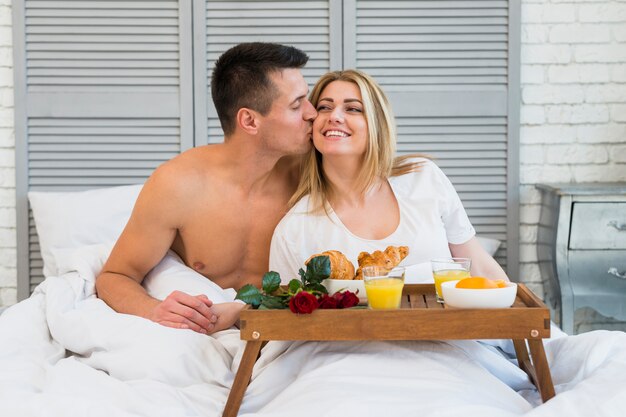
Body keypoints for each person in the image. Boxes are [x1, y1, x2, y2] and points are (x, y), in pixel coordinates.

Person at [95, 43, 317, 335]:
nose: (313, 113)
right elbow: (114, 276)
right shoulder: (178, 185)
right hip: (199, 338)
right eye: (296, 104)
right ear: (249, 120)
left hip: (278, 332)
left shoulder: (312, 177)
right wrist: (153, 310)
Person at [269, 69, 509, 283]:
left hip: (445, 331)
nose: (334, 116)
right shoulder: (294, 229)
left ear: (377, 122)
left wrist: (517, 317)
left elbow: (479, 266)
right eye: (324, 107)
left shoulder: (423, 177)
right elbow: (288, 318)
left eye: (353, 108)